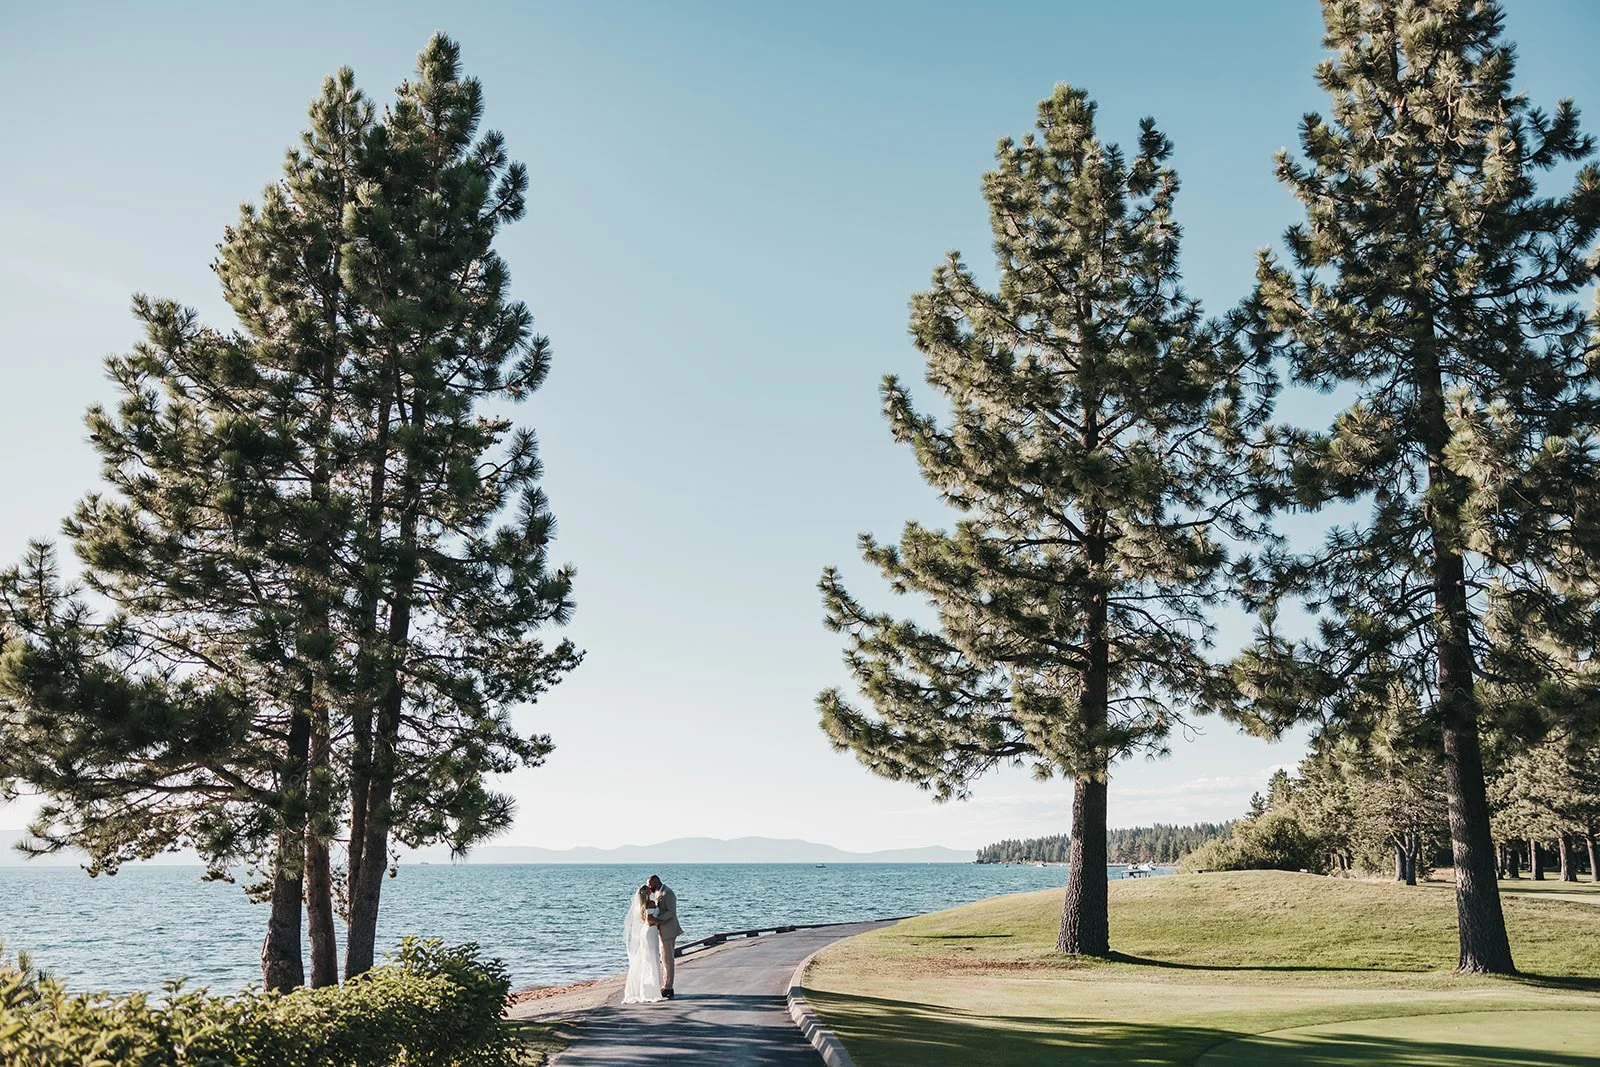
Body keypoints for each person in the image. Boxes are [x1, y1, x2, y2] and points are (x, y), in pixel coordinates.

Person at [622, 883, 664, 1003]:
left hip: (645, 932)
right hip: (650, 931)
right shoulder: (650, 904)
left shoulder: (641, 906)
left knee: (645, 958)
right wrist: (661, 921)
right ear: (648, 894)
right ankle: (649, 990)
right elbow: (650, 920)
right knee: (651, 959)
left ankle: (645, 988)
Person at [646, 874, 682, 997]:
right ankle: (665, 985)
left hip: (669, 930)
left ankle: (669, 987)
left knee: (668, 960)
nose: (649, 887)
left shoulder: (668, 893)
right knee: (664, 959)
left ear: (655, 882)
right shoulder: (658, 893)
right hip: (662, 930)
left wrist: (658, 920)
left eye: (650, 884)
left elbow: (671, 912)